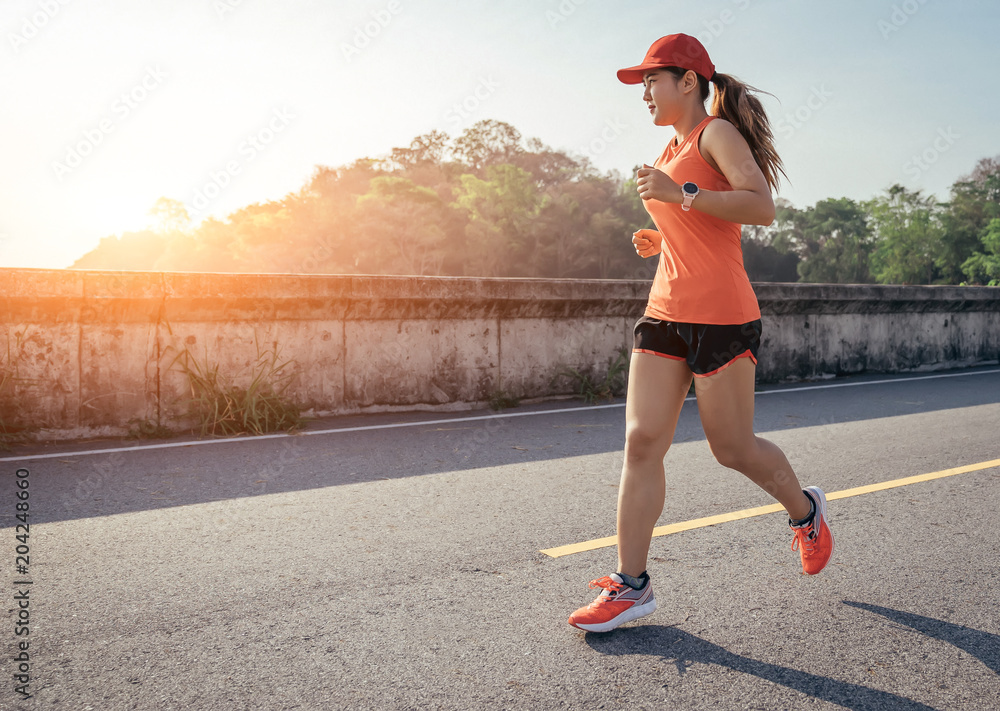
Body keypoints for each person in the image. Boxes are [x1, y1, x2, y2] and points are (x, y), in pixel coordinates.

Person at [568, 34, 834, 633]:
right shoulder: (668, 145)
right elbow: (700, 225)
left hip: (722, 315)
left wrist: (680, 194)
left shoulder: (715, 133)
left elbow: (760, 206)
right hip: (664, 312)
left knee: (731, 448)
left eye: (651, 81)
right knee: (641, 442)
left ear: (687, 81)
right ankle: (631, 585)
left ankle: (806, 512)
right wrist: (660, 237)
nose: (644, 94)